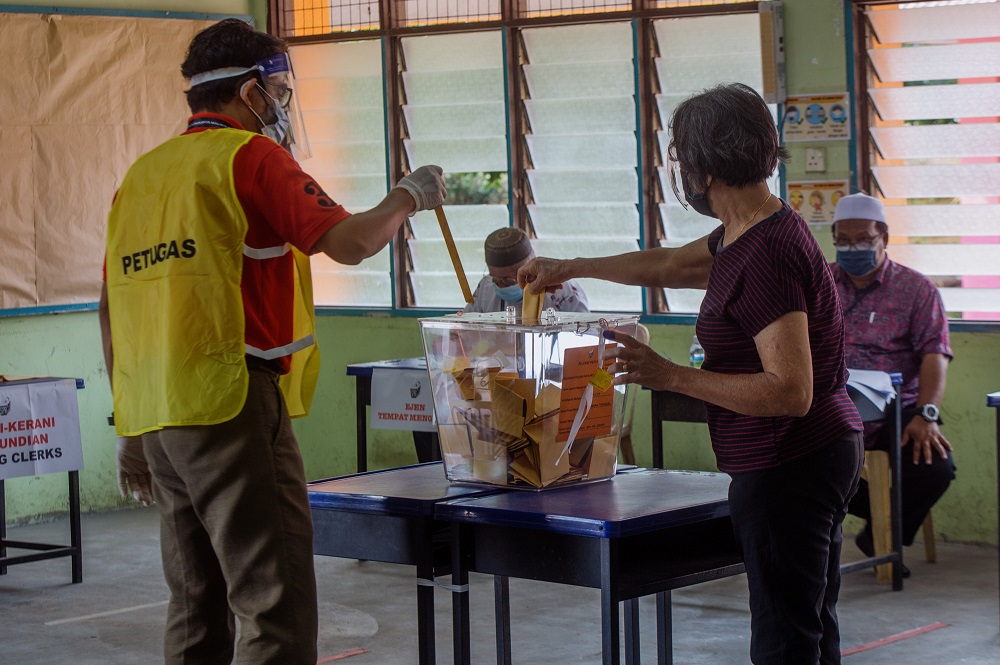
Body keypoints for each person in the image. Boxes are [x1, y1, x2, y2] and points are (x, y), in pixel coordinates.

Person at [97, 19, 445, 665]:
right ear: (251, 92)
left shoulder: (141, 177)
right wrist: (408, 195)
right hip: (229, 399)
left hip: (156, 412)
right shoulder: (250, 157)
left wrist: (128, 427)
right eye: (280, 90)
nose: (283, 106)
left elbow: (112, 305)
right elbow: (350, 242)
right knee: (273, 597)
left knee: (195, 597)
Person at [518, 83, 863, 664]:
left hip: (790, 459)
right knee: (806, 622)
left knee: (785, 638)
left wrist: (668, 374)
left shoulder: (767, 253)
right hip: (810, 452)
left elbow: (790, 390)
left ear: (702, 169)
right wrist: (570, 267)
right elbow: (675, 263)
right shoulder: (748, 230)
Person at [830, 193, 955, 574]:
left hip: (896, 410)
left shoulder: (917, 290)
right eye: (844, 240)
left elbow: (935, 354)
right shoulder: (819, 284)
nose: (854, 248)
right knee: (802, 465)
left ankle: (884, 536)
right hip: (833, 406)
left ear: (884, 236)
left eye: (864, 239)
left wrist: (927, 414)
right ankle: (881, 529)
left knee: (934, 466)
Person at [464, 227, 588, 313]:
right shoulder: (486, 287)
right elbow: (465, 329)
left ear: (531, 269)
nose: (501, 285)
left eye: (508, 280)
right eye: (496, 278)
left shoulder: (563, 291)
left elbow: (586, 336)